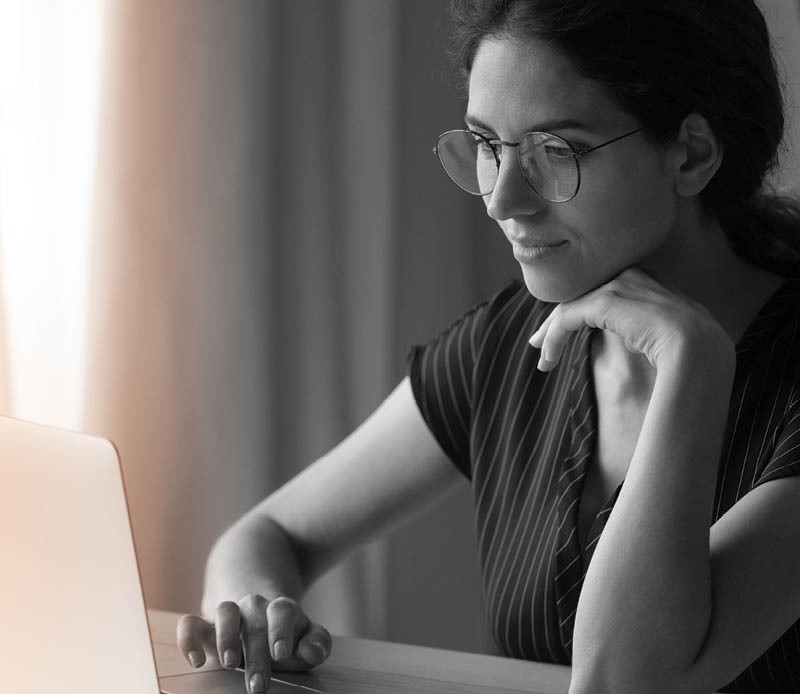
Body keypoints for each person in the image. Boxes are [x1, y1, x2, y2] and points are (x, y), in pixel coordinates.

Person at [176, 1, 800, 692]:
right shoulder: (511, 340)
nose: (502, 200)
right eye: (487, 146)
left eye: (554, 152)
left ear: (691, 153)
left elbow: (627, 681)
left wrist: (691, 362)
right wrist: (259, 609)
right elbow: (269, 534)